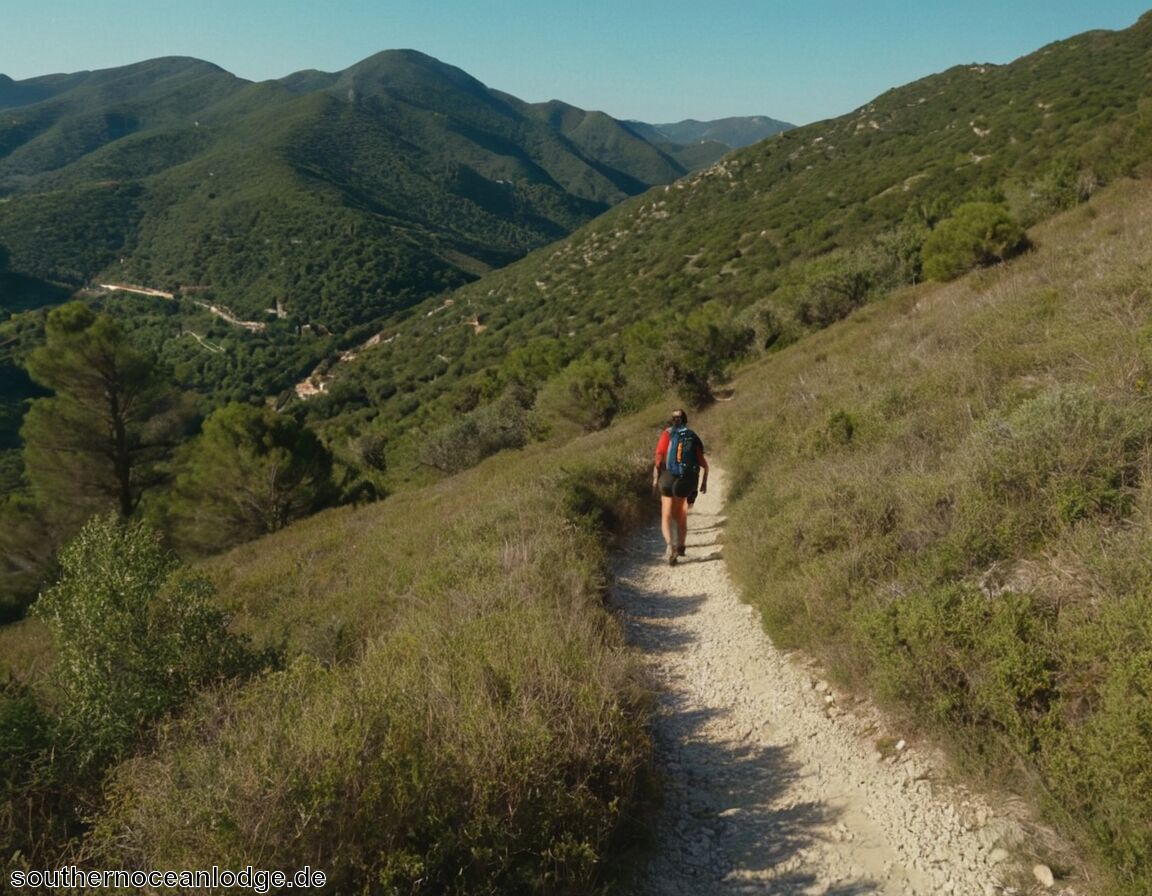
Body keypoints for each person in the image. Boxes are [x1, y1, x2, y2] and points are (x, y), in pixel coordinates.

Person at [652, 409, 708, 565]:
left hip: (668, 476)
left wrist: (656, 477)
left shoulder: (666, 434)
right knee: (681, 514)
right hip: (684, 479)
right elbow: (700, 460)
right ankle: (681, 546)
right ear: (686, 420)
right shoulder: (691, 435)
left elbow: (659, 457)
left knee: (666, 515)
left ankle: (670, 545)